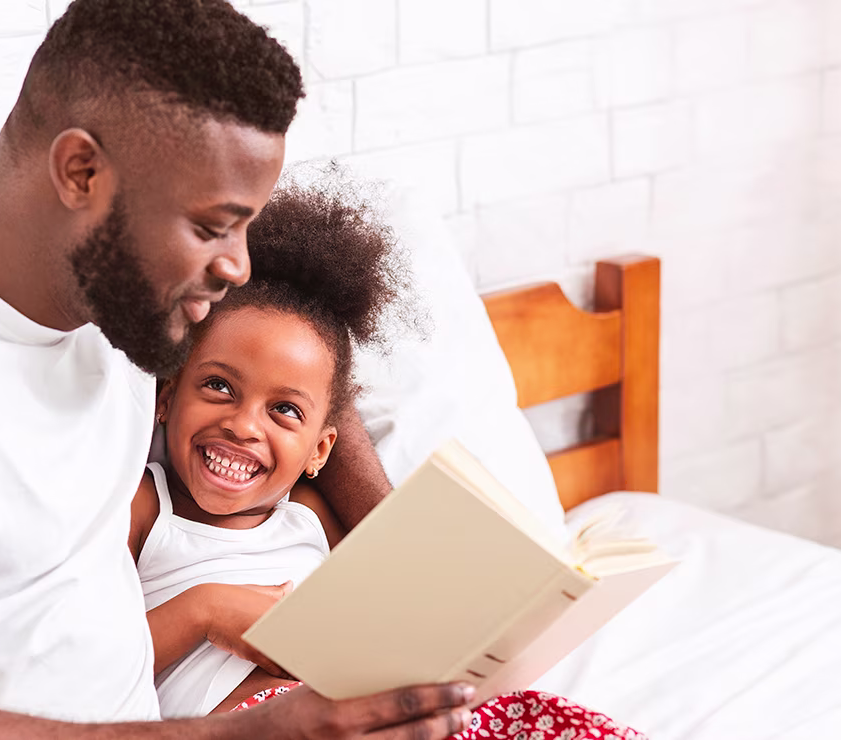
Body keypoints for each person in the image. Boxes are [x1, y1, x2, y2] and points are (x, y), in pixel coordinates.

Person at [0, 0, 469, 738]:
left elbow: (301, 378)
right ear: (81, 173)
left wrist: (408, 563)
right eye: (212, 228)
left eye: (245, 228)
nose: (237, 267)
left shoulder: (115, 304)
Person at [129, 176, 648, 740]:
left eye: (284, 410)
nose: (244, 425)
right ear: (166, 396)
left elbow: (386, 612)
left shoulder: (309, 515)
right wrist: (205, 612)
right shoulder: (145, 510)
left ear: (321, 450)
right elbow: (85, 661)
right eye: (219, 387)